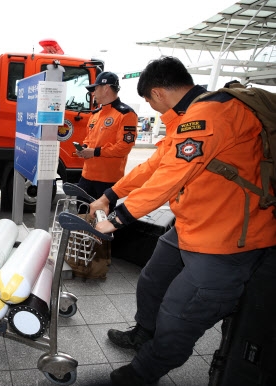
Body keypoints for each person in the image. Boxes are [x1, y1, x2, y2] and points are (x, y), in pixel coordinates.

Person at [87, 57, 276, 386]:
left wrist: (114, 220)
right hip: (193, 221)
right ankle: (144, 333)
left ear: (157, 94)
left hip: (226, 239)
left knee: (180, 314)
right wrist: (110, 195)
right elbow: (154, 165)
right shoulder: (190, 116)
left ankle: (141, 373)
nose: (153, 109)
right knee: (151, 281)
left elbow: (169, 178)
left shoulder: (210, 114)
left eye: (150, 102)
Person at [75, 71, 138, 212]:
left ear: (106, 88)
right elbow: (89, 139)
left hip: (107, 181)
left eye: (95, 89)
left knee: (101, 220)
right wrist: (83, 148)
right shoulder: (95, 114)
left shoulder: (126, 114)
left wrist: (95, 152)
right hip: (86, 177)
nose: (93, 93)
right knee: (81, 215)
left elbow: (123, 148)